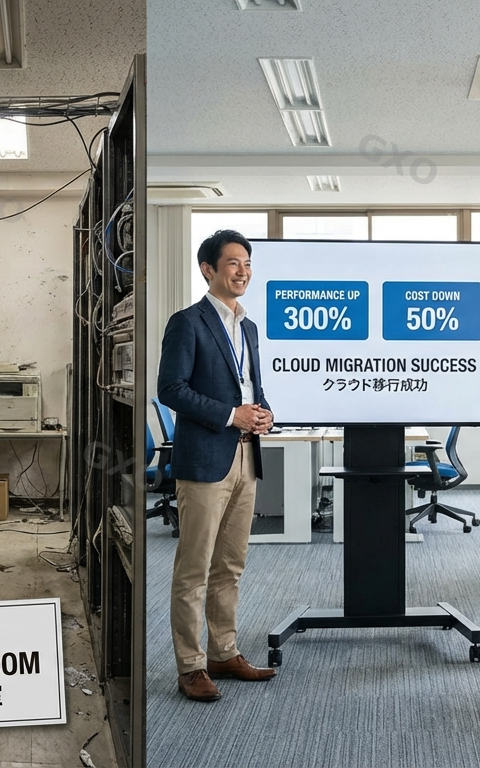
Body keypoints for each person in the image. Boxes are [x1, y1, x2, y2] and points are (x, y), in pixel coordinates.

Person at [157, 229, 277, 703]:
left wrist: (262, 411)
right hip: (206, 460)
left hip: (246, 456)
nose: (243, 270)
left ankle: (223, 652)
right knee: (194, 568)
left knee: (231, 564)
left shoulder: (247, 327)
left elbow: (250, 388)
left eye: (247, 262)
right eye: (233, 262)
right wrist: (231, 415)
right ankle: (191, 666)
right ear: (208, 269)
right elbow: (172, 389)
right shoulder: (187, 322)